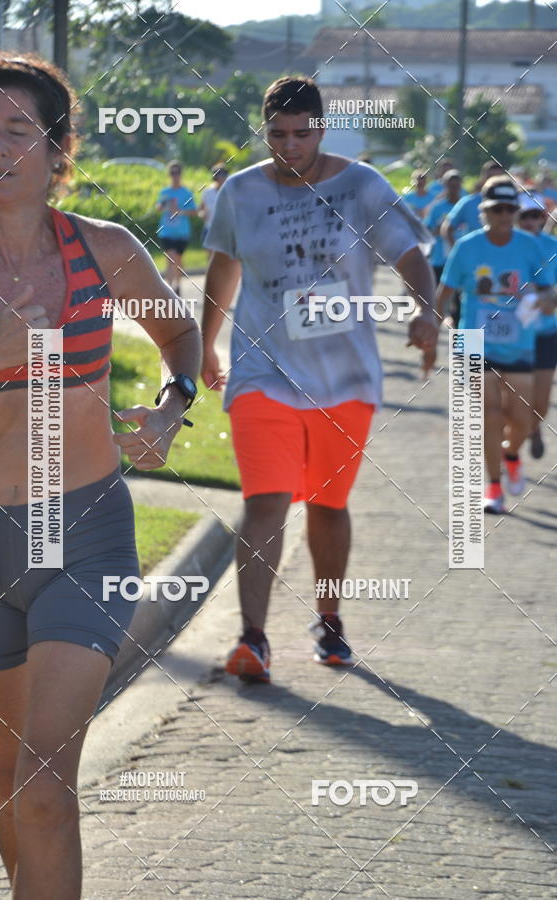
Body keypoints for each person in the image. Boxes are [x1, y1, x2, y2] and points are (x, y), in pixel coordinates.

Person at [0, 53, 200, 898]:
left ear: (59, 150)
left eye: (19, 131)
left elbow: (179, 337)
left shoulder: (105, 251)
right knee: (6, 792)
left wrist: (174, 406)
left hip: (85, 529)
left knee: (44, 791)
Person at [201, 75, 437, 682]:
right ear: (264, 132)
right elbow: (223, 271)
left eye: (301, 134)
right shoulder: (241, 193)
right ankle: (253, 639)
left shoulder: (360, 185)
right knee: (265, 501)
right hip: (263, 372)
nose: (289, 147)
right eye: (277, 135)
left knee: (328, 504)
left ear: (321, 129)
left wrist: (425, 308)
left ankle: (329, 621)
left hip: (344, 378)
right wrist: (204, 344)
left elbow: (410, 253)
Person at [436, 177, 553, 515]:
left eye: (508, 209)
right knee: (488, 413)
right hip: (473, 339)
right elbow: (445, 292)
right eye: (495, 209)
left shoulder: (529, 247)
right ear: (484, 211)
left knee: (520, 417)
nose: (502, 215)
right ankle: (494, 487)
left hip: (519, 342)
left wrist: (546, 301)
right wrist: (433, 326)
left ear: (515, 212)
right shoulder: (467, 247)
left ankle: (512, 455)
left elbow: (548, 290)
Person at [515, 193, 557, 458]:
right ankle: (511, 448)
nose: (530, 221)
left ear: (542, 218)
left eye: (535, 215)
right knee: (513, 398)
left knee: (540, 403)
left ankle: (533, 427)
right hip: (514, 336)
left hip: (545, 332)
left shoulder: (553, 247)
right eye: (524, 216)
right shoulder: (504, 246)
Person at [441, 160, 504, 248]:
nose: (494, 183)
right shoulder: (468, 202)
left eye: (497, 179)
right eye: (490, 178)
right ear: (483, 179)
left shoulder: (510, 206)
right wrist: (457, 253)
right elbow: (447, 229)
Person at [156, 160, 197, 295]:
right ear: (169, 174)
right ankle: (168, 288)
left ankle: (178, 285)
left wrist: (179, 211)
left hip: (181, 232)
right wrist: (162, 206)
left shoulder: (186, 193)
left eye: (177, 172)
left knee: (178, 260)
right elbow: (158, 208)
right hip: (166, 231)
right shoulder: (165, 192)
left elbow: (194, 212)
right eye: (172, 172)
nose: (175, 175)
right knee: (170, 257)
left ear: (181, 174)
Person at [425, 169, 464, 285]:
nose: (454, 190)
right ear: (445, 185)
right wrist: (437, 230)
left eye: (457, 186)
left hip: (461, 258)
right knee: (437, 294)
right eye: (451, 186)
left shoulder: (464, 206)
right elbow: (427, 231)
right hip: (439, 259)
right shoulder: (437, 208)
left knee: (459, 298)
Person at [198, 164, 229, 255]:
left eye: (224, 176)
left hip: (226, 230)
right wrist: (203, 214)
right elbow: (200, 210)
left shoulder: (230, 191)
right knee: (211, 258)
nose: (222, 179)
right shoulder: (208, 192)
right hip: (210, 229)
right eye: (219, 176)